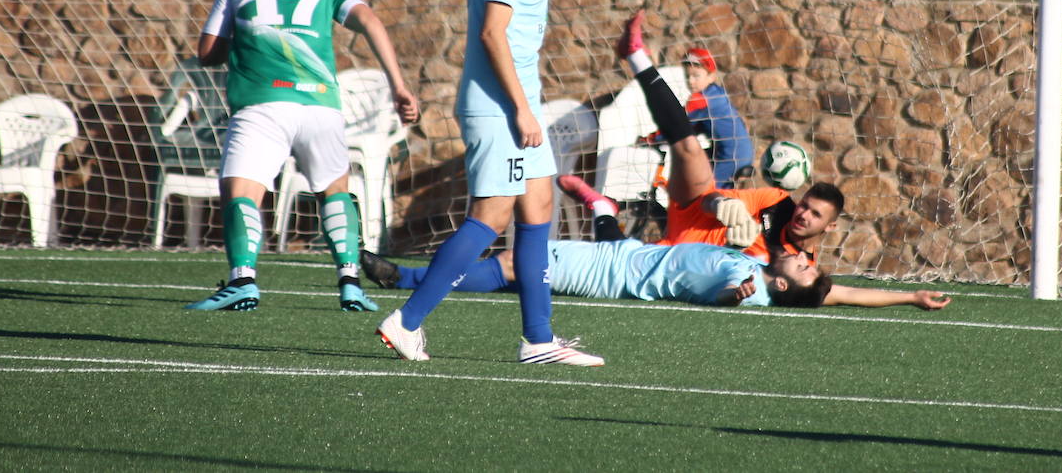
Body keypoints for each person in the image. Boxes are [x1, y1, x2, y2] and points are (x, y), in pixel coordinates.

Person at [375, 0, 602, 365]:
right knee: (492, 215)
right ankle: (406, 322)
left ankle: (539, 340)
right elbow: (491, 32)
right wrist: (522, 110)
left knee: (538, 206)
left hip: (519, 105)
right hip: (502, 108)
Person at [561, 10, 924, 310]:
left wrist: (910, 296)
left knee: (618, 259)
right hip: (693, 214)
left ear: (830, 228)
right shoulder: (778, 202)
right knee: (687, 146)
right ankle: (636, 54)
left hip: (682, 256)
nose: (803, 213)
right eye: (806, 205)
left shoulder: (798, 273)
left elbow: (849, 294)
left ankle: (602, 209)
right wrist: (723, 206)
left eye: (815, 215)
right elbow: (712, 198)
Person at [185, 0, 420, 312]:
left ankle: (243, 280)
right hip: (320, 107)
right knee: (335, 191)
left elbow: (207, 52)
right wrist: (398, 86)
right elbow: (371, 22)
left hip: (262, 104)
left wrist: (240, 40)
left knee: (241, 191)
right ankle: (349, 282)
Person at [360, 244, 949, 312]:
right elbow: (842, 293)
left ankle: (405, 278)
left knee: (517, 262)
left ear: (787, 284)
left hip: (612, 273)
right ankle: (404, 276)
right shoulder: (768, 270)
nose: (806, 257)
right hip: (622, 253)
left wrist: (733, 295)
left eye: (806, 266)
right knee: (515, 270)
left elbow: (721, 297)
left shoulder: (751, 291)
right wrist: (910, 295)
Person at [644, 44, 754, 188]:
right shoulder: (717, 92)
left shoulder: (700, 100)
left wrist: (652, 138)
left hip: (730, 157)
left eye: (696, 76)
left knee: (701, 191)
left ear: (711, 76)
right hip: (741, 152)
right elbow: (696, 126)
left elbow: (678, 123)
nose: (690, 81)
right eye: (687, 76)